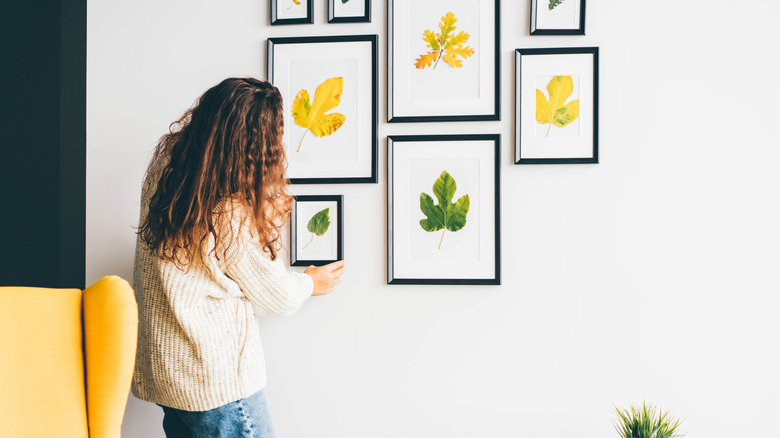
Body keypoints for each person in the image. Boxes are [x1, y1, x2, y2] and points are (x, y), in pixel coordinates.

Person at [132, 77, 344, 438]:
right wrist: (311, 281)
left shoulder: (167, 168)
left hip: (166, 373)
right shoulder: (229, 210)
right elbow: (276, 295)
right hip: (215, 383)